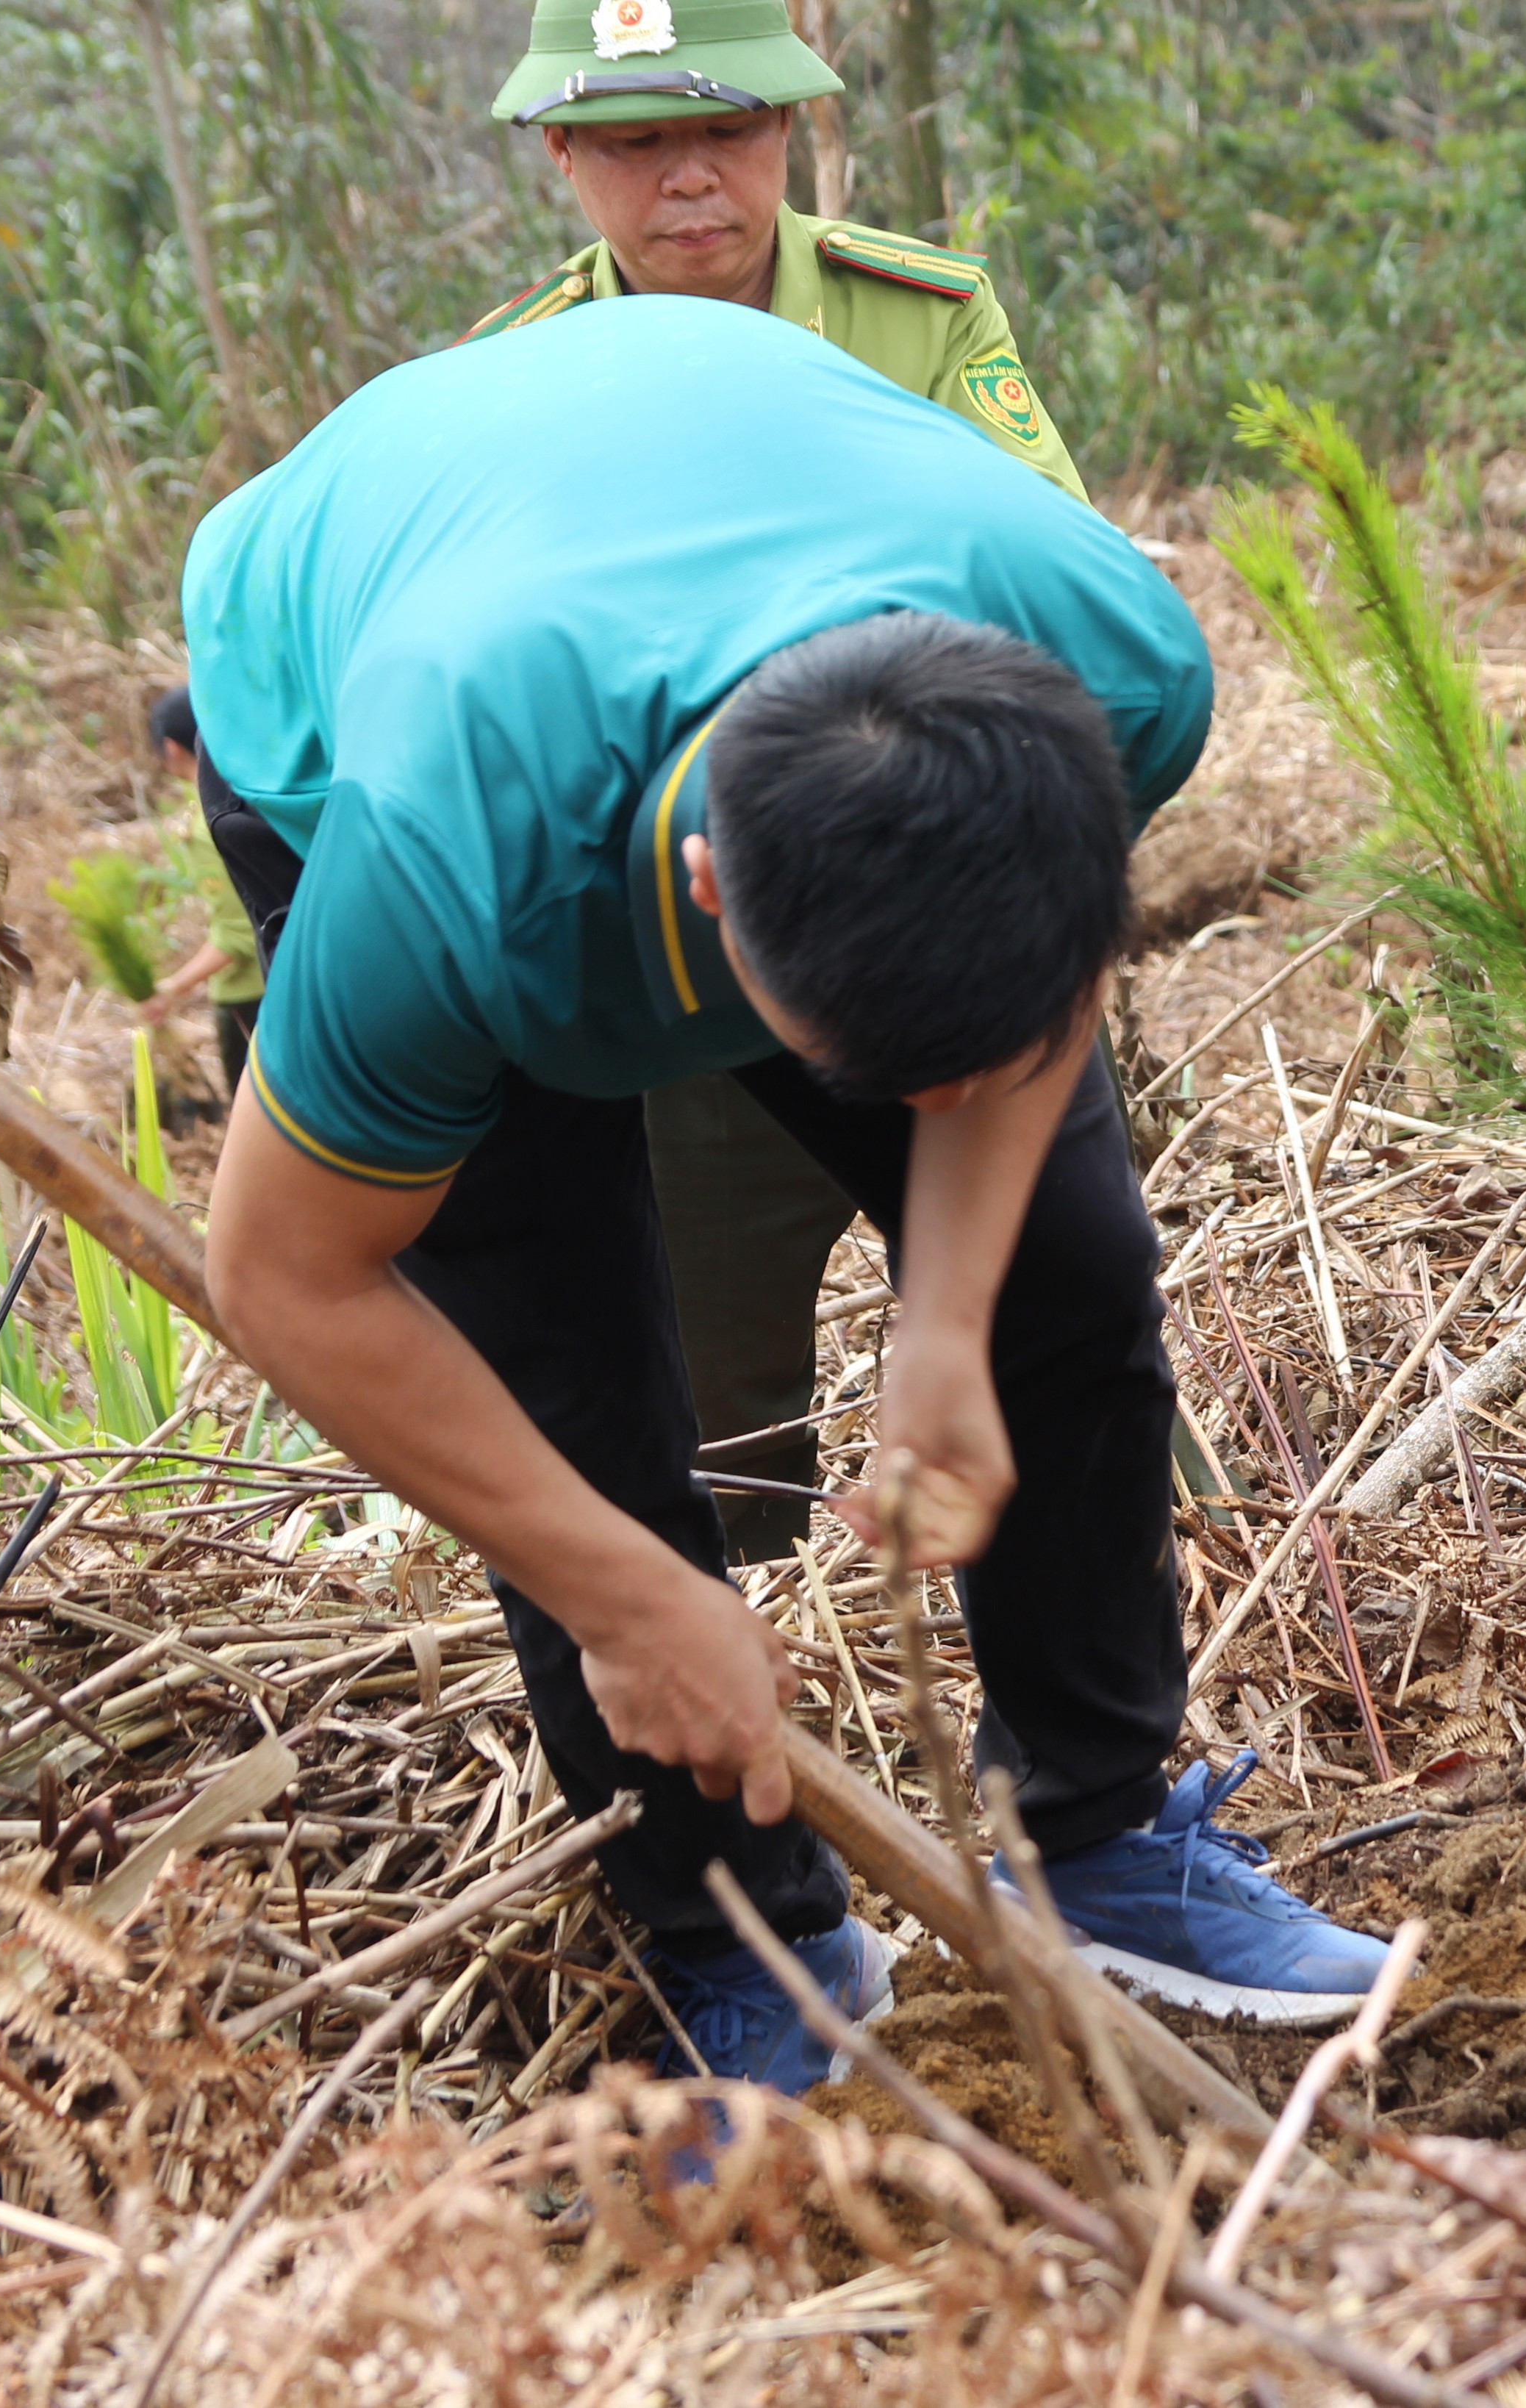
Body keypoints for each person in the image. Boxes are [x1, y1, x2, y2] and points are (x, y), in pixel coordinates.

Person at [181, 303, 1391, 2095]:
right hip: (372, 634)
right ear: (707, 904)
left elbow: (1030, 1031)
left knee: (1064, 1251)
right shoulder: (449, 864)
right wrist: (622, 1594)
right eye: (886, 1080)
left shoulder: (1108, 669)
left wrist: (950, 1321)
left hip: (708, 532)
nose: (938, 1117)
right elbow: (288, 1279)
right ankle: (731, 1929)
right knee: (560, 1374)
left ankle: (1097, 1836)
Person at [479, 0, 1087, 1563]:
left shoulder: (919, 316)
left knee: (1058, 1331)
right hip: (680, 968)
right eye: (636, 142)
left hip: (940, 912)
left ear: (790, 132)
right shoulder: (519, 380)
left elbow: (1047, 583)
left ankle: (1092, 1761)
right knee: (715, 1406)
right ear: (564, 155)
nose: (690, 178)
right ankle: (774, 1742)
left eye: (727, 131)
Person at [138, 684, 263, 1099]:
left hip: (251, 997)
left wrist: (171, 988)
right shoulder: (254, 791)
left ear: (172, 749)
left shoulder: (209, 823)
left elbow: (238, 935)